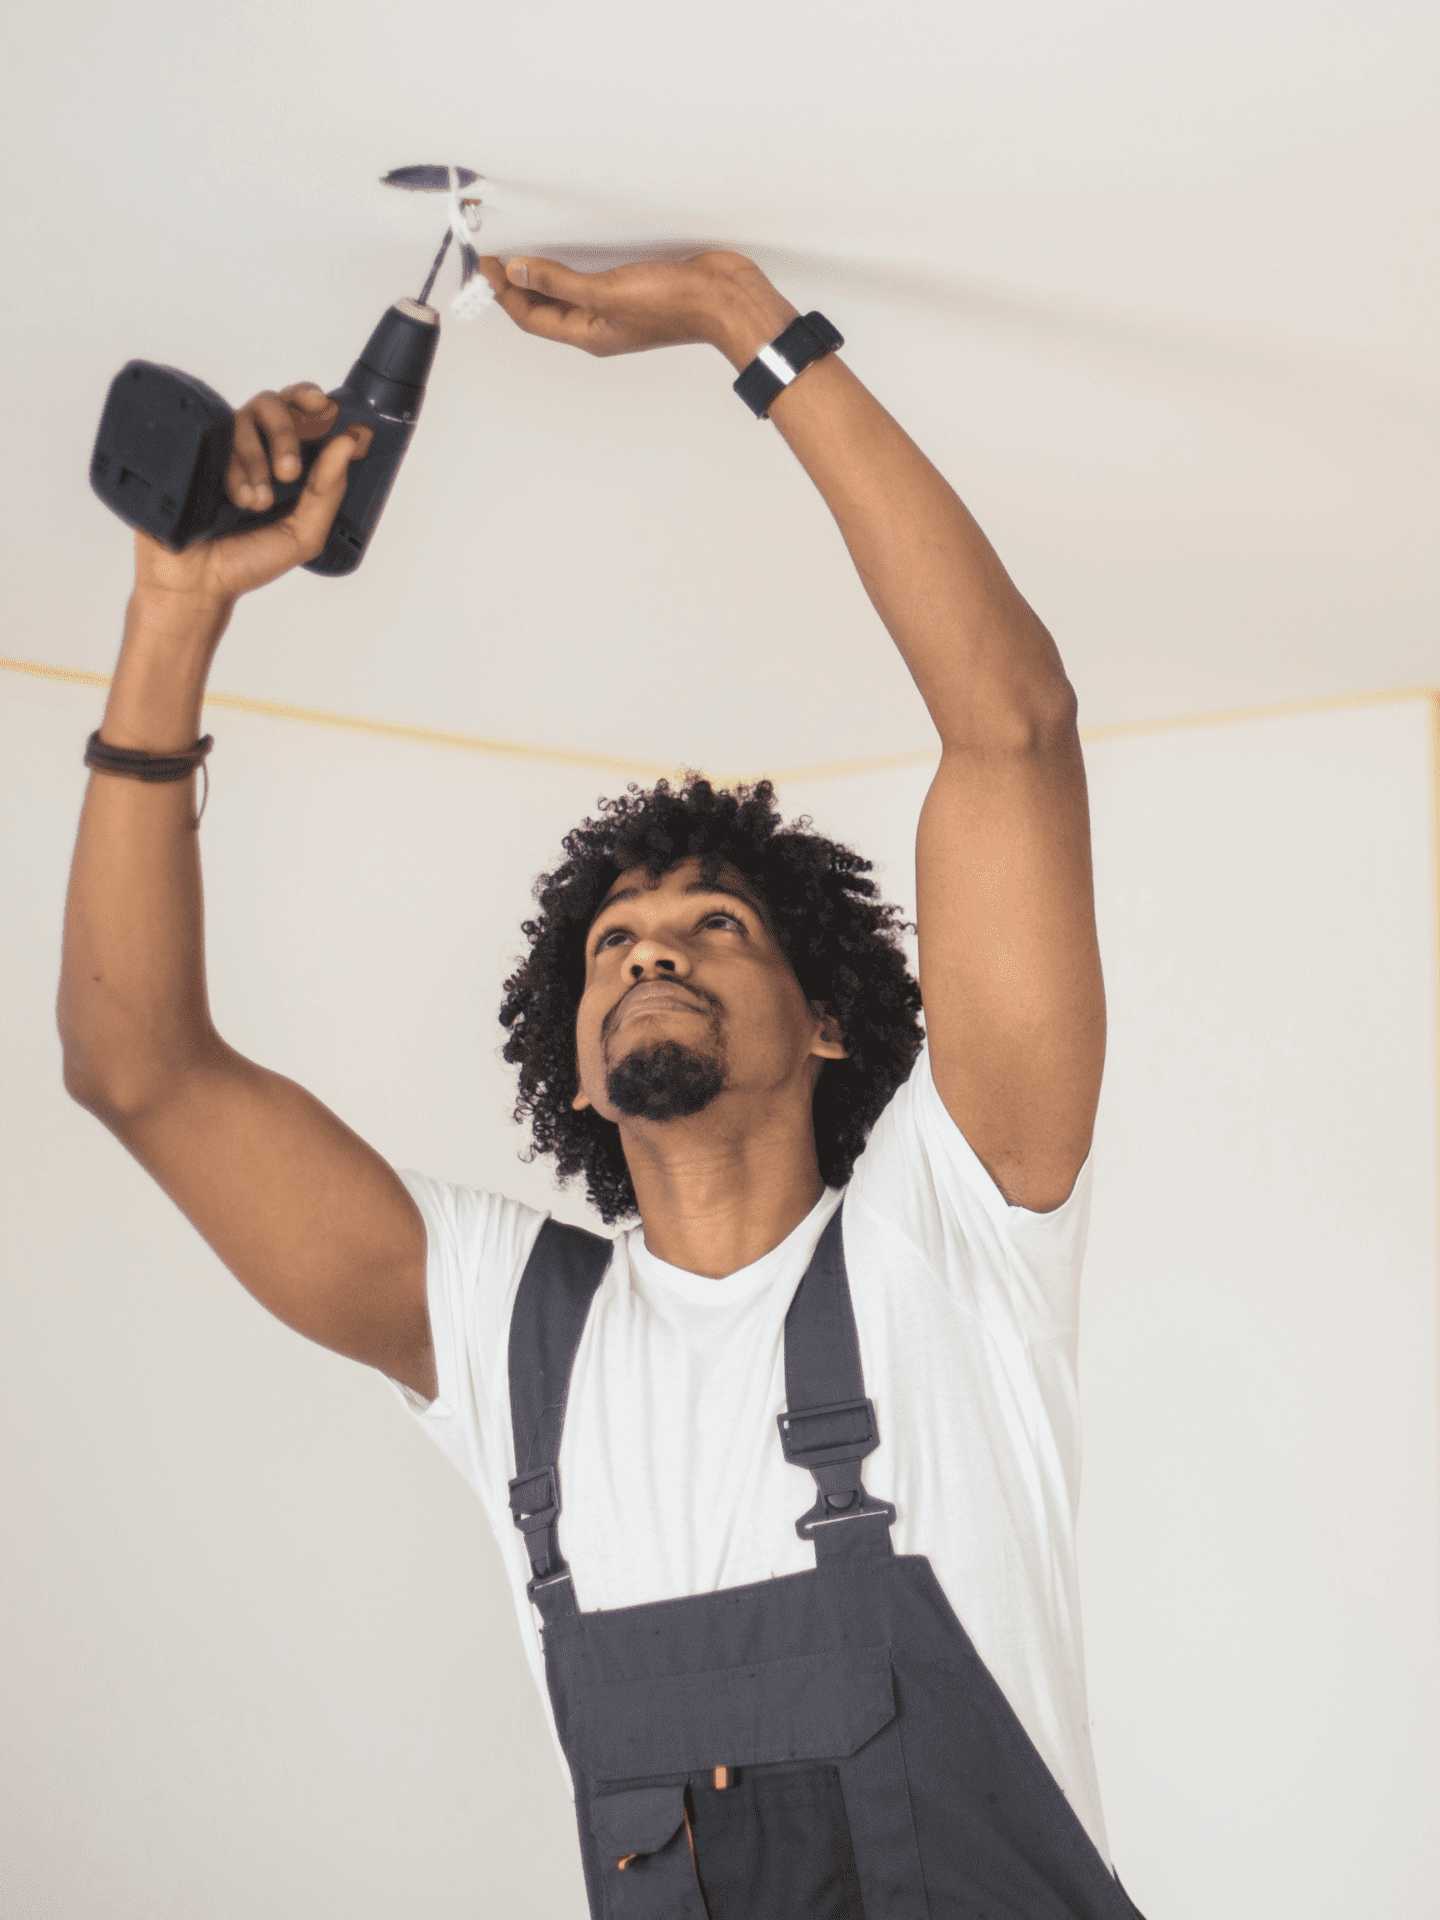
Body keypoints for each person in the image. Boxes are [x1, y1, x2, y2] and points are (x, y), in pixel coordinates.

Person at [59, 250, 1134, 1916]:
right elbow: (140, 1070)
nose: (648, 951)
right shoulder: (506, 1336)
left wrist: (735, 314)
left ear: (832, 1021)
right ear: (572, 1051)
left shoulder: (958, 1226)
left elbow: (1013, 729)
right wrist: (176, 612)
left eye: (715, 922)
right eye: (611, 941)